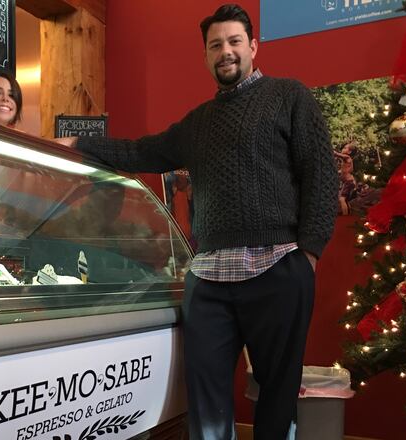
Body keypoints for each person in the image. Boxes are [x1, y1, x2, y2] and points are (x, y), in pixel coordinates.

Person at [56, 4, 338, 439]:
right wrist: (78, 143)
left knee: (278, 393)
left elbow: (321, 173)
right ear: (206, 56)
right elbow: (142, 151)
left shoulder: (289, 96)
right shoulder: (197, 123)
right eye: (215, 45)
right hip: (208, 278)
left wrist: (309, 255)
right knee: (205, 398)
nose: (226, 51)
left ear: (253, 46)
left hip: (279, 268)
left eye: (234, 41)